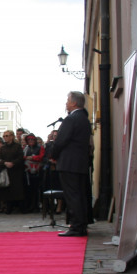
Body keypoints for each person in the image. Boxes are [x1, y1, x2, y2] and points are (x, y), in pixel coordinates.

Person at [52, 91, 92, 236]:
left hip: (69, 163)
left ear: (74, 103)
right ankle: (80, 224)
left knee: (72, 195)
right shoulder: (84, 118)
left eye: (67, 100)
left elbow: (61, 141)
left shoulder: (71, 119)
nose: (66, 103)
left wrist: (53, 155)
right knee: (79, 194)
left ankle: (76, 226)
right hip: (79, 163)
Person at [0, 130, 26, 214]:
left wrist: (13, 163)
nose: (5, 137)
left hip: (16, 171)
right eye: (4, 136)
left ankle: (21, 208)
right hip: (6, 171)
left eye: (7, 136)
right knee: (7, 191)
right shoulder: (2, 148)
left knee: (18, 190)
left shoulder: (17, 146)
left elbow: (20, 157)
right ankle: (8, 208)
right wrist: (5, 163)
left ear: (12, 136)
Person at [23, 133, 45, 214]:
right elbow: (22, 157)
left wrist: (32, 157)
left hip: (38, 171)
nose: (30, 141)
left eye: (32, 139)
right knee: (29, 190)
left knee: (37, 190)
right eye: (29, 140)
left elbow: (41, 157)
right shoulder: (26, 148)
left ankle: (36, 206)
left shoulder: (40, 148)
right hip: (28, 172)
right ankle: (30, 206)